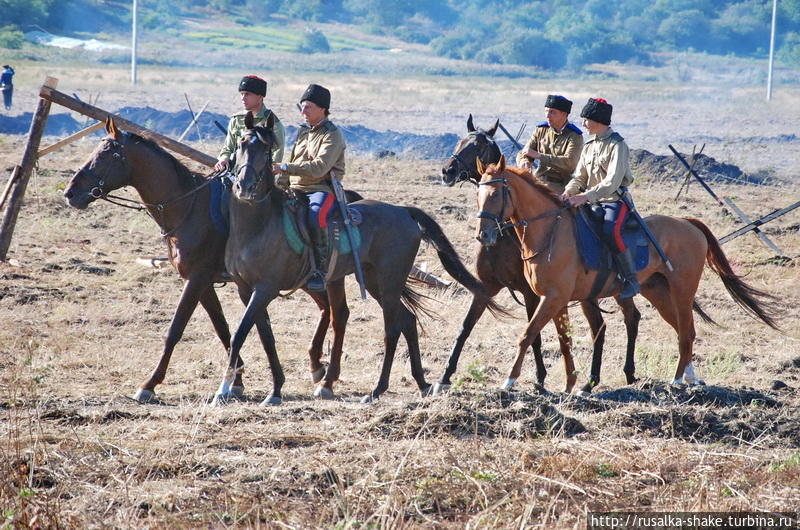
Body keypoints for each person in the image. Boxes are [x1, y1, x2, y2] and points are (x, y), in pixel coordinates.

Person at [561, 97, 639, 299]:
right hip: (590, 200)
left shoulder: (618, 145)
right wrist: (569, 191)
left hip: (614, 201)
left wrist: (585, 196)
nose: (583, 124)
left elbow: (612, 182)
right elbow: (579, 176)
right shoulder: (589, 146)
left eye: (585, 120)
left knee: (610, 230)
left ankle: (630, 278)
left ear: (596, 121)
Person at [272, 84, 345, 292]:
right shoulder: (304, 131)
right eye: (302, 107)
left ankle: (320, 271)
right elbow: (297, 160)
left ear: (323, 109)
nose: (303, 112)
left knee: (316, 216)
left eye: (308, 107)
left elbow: (318, 168)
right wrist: (280, 182)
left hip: (320, 189)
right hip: (296, 187)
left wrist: (284, 167)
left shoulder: (333, 135)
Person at [215, 75, 285, 172]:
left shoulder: (273, 123)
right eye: (242, 94)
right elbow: (228, 147)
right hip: (233, 173)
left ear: (260, 97)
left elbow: (276, 158)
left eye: (247, 94)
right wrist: (224, 158)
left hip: (257, 178)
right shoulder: (236, 120)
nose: (243, 98)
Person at [516, 94, 583, 194]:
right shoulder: (541, 130)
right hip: (538, 180)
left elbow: (569, 163)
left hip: (560, 186)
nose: (547, 115)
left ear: (564, 114)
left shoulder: (574, 136)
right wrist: (524, 161)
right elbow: (525, 152)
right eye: (546, 111)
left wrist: (540, 156)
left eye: (552, 112)